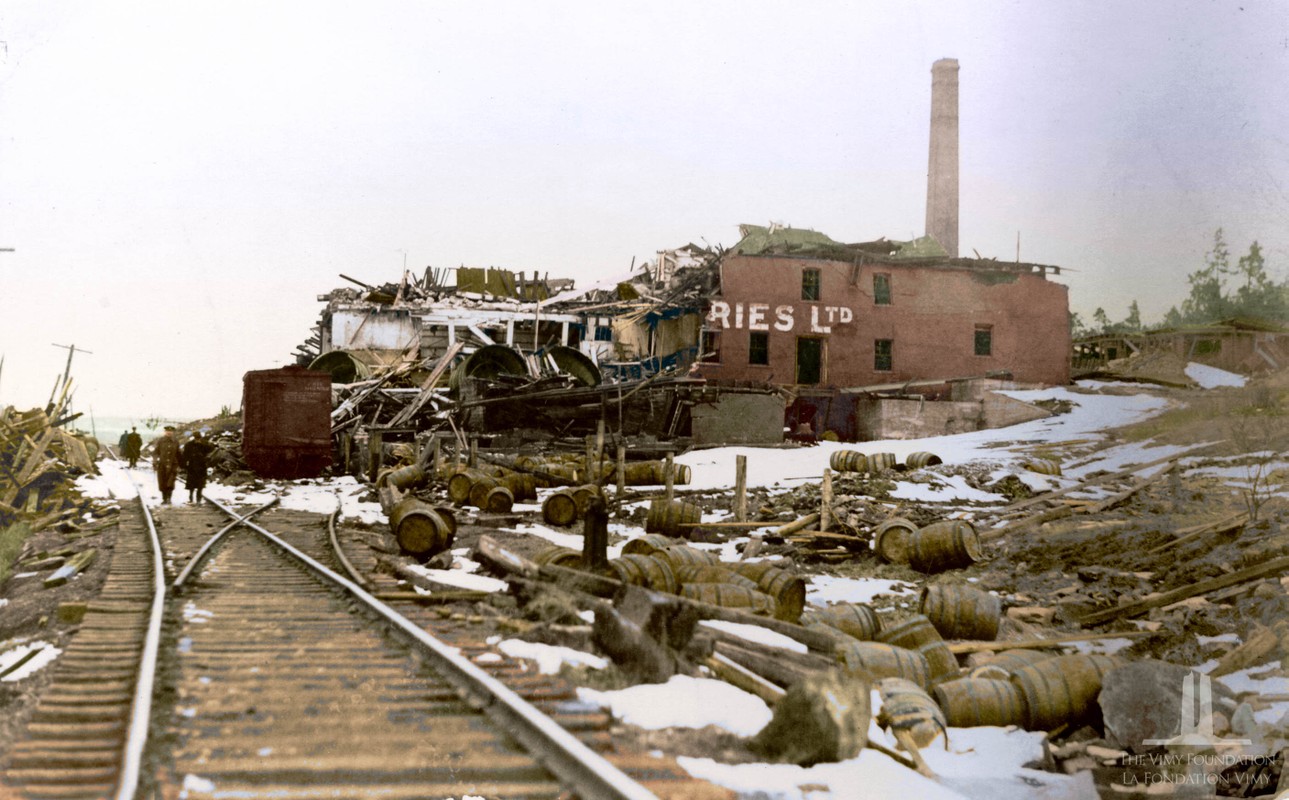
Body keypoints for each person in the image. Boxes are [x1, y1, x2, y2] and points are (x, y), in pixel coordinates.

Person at [182, 431, 215, 503]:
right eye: (196, 438)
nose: (197, 439)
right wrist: (184, 465)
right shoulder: (189, 445)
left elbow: (211, 449)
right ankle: (191, 497)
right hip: (192, 466)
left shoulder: (204, 444)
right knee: (191, 484)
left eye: (198, 438)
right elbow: (185, 455)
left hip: (201, 466)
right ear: (194, 438)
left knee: (200, 484)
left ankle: (198, 497)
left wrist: (203, 444)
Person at [153, 426, 182, 504]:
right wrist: (155, 461)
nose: (169, 432)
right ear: (165, 432)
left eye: (170, 431)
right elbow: (156, 452)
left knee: (170, 482)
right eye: (167, 431)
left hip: (173, 465)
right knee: (162, 481)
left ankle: (169, 498)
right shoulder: (161, 441)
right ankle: (164, 498)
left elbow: (178, 453)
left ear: (173, 432)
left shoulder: (176, 441)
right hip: (162, 464)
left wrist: (181, 464)